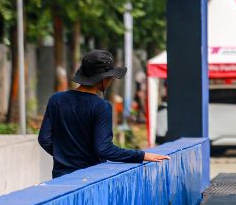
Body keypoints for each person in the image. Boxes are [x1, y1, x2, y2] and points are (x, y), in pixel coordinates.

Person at [38, 50, 169, 178]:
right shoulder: (101, 106)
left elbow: (44, 139)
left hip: (60, 177)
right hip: (89, 179)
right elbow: (104, 149)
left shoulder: (56, 99)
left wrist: (64, 157)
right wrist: (142, 155)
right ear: (103, 79)